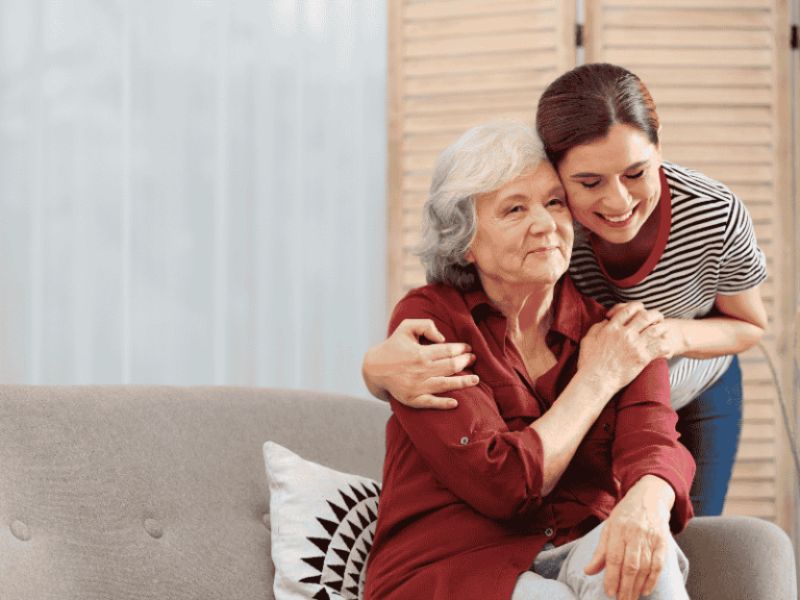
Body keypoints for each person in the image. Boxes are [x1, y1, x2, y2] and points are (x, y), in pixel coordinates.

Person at [362, 63, 767, 517]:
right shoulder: (551, 224)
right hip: (604, 376)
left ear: (659, 149)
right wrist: (373, 370)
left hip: (692, 376)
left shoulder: (712, 214)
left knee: (690, 524)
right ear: (556, 171)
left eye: (636, 173)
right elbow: (465, 278)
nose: (618, 203)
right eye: (589, 182)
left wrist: (666, 337)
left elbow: (749, 324)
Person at [363, 121, 695, 600]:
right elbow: (502, 483)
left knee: (647, 559)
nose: (544, 223)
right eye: (515, 209)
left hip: (577, 544)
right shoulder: (431, 321)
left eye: (554, 202)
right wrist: (597, 378)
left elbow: (654, 442)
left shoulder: (619, 330)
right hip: (453, 567)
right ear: (465, 242)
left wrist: (648, 500)